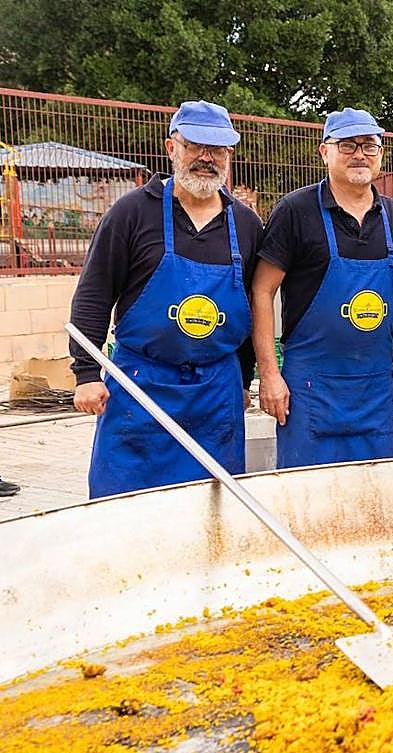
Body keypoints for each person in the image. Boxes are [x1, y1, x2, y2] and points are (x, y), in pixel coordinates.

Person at [70, 100, 263, 498]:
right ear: (172, 148)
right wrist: (87, 375)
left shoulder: (245, 224)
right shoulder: (131, 213)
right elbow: (93, 294)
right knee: (124, 503)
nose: (206, 158)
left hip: (216, 392)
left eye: (217, 149)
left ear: (230, 155)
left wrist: (243, 381)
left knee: (213, 507)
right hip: (141, 386)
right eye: (195, 146)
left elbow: (248, 309)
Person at [251, 108, 393, 469]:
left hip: (374, 386)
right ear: (324, 152)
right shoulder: (295, 211)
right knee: (308, 495)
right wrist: (270, 374)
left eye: (369, 145)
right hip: (310, 387)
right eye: (347, 145)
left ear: (381, 153)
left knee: (376, 494)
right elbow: (261, 291)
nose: (359, 154)